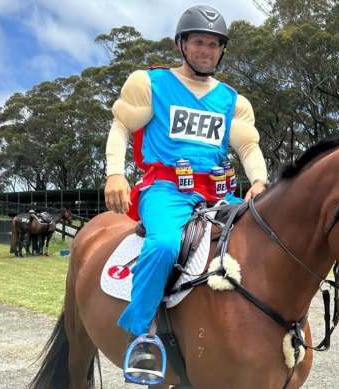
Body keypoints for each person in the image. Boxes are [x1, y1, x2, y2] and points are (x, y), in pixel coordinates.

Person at [104, 4, 268, 383]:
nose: (206, 50)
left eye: (213, 44)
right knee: (163, 245)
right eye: (198, 42)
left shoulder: (232, 101)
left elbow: (247, 147)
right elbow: (120, 126)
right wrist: (115, 173)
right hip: (165, 191)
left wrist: (258, 180)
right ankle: (141, 336)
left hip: (218, 196)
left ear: (221, 50)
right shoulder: (151, 84)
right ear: (181, 44)